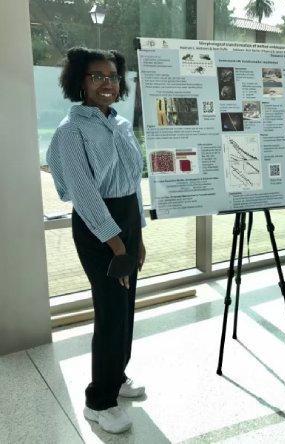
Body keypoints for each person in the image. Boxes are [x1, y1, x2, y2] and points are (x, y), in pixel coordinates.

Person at [47, 47, 147, 434]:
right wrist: (116, 242)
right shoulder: (71, 131)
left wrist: (136, 234)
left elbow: (133, 182)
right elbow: (84, 193)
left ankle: (116, 376)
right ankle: (98, 401)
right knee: (111, 311)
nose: (107, 83)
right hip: (96, 226)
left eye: (113, 76)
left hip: (126, 222)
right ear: (80, 82)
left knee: (127, 305)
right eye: (97, 76)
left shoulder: (120, 125)